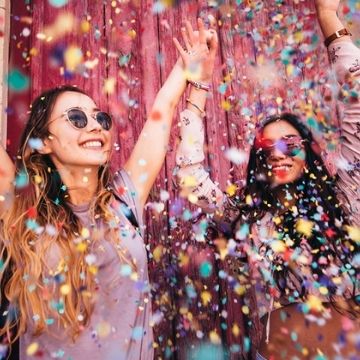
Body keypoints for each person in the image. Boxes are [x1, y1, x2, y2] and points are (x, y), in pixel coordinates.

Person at [0, 19, 218, 359]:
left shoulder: (124, 200)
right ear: (44, 142)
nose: (96, 127)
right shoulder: (20, 209)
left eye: (100, 119)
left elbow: (162, 113)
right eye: (76, 118)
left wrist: (191, 72)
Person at [175, 1, 359, 358]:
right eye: (266, 146)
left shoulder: (346, 197)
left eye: (290, 144)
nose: (277, 153)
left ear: (308, 151)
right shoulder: (248, 217)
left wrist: (328, 18)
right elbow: (191, 177)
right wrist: (197, 86)